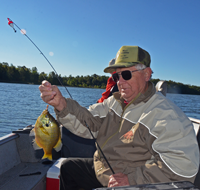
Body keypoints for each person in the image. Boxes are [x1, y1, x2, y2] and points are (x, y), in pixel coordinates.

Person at [39, 45, 199, 190]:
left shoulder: (167, 115)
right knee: (68, 169)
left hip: (137, 183)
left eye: (126, 74)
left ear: (146, 74)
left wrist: (132, 180)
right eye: (116, 76)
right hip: (105, 170)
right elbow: (89, 124)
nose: (120, 82)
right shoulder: (114, 102)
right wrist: (61, 104)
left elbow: (182, 168)